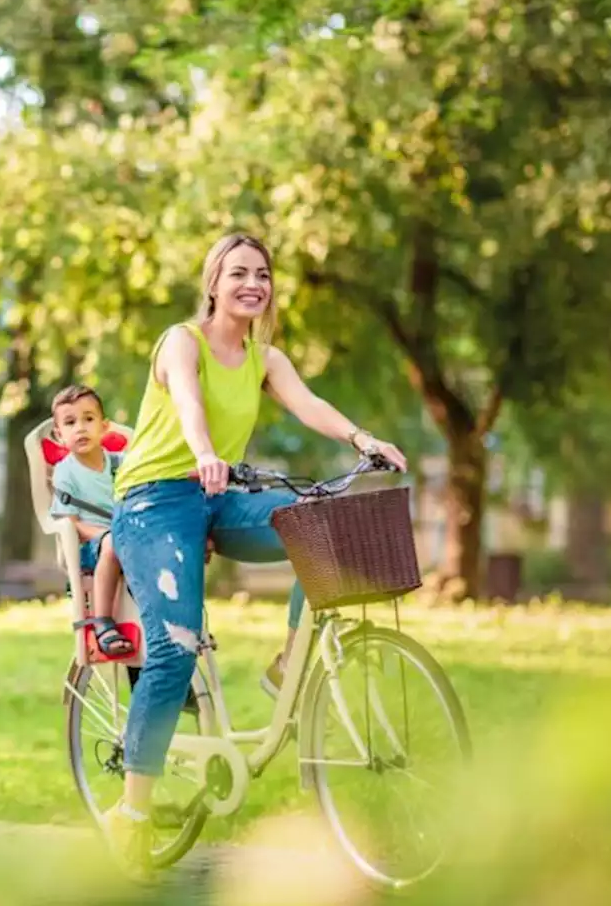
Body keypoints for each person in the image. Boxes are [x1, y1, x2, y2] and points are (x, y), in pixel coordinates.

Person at [102, 232, 408, 874]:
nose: (252, 283)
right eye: (238, 272)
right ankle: (133, 810)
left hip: (217, 496)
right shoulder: (182, 341)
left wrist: (362, 438)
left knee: (321, 527)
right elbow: (187, 398)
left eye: (262, 274)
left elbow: (310, 404)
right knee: (174, 647)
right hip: (154, 502)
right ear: (213, 283)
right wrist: (207, 451)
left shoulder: (266, 358)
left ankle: (288, 663)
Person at [47, 385, 133, 658]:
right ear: (60, 435)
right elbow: (71, 522)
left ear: (104, 426)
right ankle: (103, 622)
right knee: (113, 542)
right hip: (91, 545)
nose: (80, 428)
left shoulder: (122, 464)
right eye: (70, 423)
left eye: (88, 419)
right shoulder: (66, 473)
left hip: (129, 537)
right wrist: (109, 534)